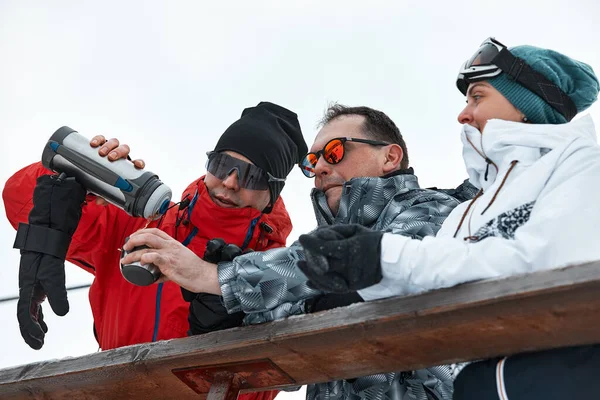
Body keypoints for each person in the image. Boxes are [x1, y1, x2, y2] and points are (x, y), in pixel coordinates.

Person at [295, 39, 600, 398]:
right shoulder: (467, 210)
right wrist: (356, 282)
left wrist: (383, 256)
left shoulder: (582, 164)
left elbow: (541, 264)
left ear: (523, 103)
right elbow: (426, 289)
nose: (463, 114)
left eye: (478, 97)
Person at [121, 104, 478, 399]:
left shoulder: (435, 213)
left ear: (390, 157)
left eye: (335, 152)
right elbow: (282, 354)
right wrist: (223, 314)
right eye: (313, 161)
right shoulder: (306, 258)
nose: (321, 167)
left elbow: (367, 267)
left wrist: (213, 277)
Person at [3, 101, 308, 400]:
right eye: (222, 165)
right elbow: (18, 202)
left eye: (252, 176)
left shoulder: (275, 273)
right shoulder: (144, 222)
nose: (230, 182)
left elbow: (274, 377)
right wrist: (82, 175)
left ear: (272, 193)